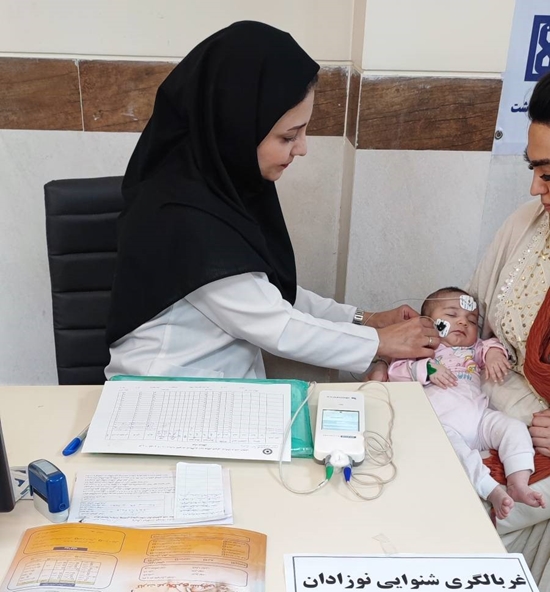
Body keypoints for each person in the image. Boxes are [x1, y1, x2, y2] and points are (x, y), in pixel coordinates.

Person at [105, 21, 440, 380]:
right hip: (162, 393)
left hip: (220, 382)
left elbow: (270, 291)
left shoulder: (225, 185)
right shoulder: (183, 215)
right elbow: (278, 326)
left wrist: (364, 319)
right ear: (236, 128)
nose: (302, 148)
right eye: (288, 136)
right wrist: (380, 342)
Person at [467, 70, 550, 585]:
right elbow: (471, 317)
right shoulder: (526, 222)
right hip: (480, 407)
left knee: (454, 522)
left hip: (537, 448)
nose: (535, 188)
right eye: (533, 168)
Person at [388, 287, 545, 520]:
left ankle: (518, 482)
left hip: (480, 418)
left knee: (514, 428)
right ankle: (490, 489)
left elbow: (491, 345)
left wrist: (493, 355)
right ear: (427, 323)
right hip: (440, 423)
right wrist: (427, 368)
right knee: (456, 452)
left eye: (471, 320)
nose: (463, 322)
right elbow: (396, 372)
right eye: (452, 315)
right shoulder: (422, 349)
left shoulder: (473, 348)